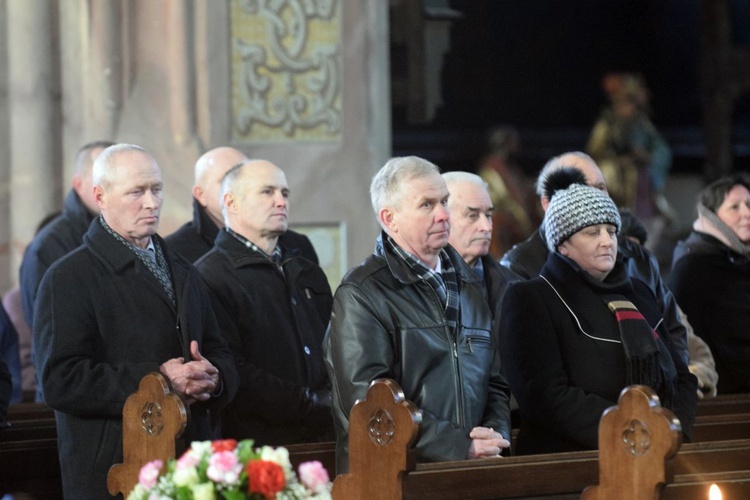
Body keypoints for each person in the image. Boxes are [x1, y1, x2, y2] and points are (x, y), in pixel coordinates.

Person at [33, 143, 240, 499]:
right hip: (114, 468)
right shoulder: (68, 277)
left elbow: (220, 350)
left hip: (190, 463)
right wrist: (159, 381)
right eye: (136, 192)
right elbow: (60, 380)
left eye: (156, 189)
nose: (151, 202)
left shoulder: (184, 270)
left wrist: (214, 376)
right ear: (100, 196)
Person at [324, 156, 512, 474]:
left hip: (474, 472)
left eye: (444, 202)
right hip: (396, 476)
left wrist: (495, 436)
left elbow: (494, 383)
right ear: (390, 218)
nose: (442, 215)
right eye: (427, 205)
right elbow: (369, 404)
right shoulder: (363, 292)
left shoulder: (469, 284)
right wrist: (457, 446)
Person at [500, 167, 697, 455]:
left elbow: (680, 373)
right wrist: (631, 433)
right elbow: (544, 395)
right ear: (563, 244)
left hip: (656, 448)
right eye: (592, 232)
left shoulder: (638, 293)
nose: (607, 241)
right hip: (572, 459)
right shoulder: (532, 298)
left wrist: (673, 430)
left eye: (611, 231)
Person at [500, 151, 688, 364]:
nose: (593, 198)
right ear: (547, 202)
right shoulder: (520, 265)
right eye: (579, 189)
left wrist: (675, 384)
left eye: (600, 188)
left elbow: (672, 330)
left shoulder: (637, 257)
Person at [195, 160, 334, 445]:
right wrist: (306, 402)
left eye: (284, 193)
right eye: (267, 192)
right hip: (255, 444)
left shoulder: (305, 269)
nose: (280, 201)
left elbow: (334, 344)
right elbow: (230, 366)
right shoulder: (208, 276)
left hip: (325, 435)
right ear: (231, 202)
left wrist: (331, 398)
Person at [668, 174, 750, 394]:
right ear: (712, 215)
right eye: (734, 207)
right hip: (720, 389)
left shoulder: (740, 257)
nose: (746, 213)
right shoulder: (695, 262)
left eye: (749, 204)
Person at [19, 140, 115, 329]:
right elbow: (49, 328)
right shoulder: (48, 246)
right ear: (78, 184)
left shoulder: (135, 236)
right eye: (104, 180)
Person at [166, 146, 318, 264]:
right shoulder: (173, 252)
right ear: (200, 194)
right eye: (227, 180)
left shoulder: (298, 245)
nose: (280, 202)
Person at [586, 72, 678, 225]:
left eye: (631, 103)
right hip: (614, 181)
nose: (628, 108)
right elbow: (595, 152)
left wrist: (647, 157)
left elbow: (661, 149)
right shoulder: (607, 125)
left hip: (641, 182)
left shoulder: (642, 125)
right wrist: (619, 161)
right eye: (624, 102)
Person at [442, 171, 519, 322]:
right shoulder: (409, 286)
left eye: (488, 215)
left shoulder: (516, 290)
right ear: (441, 218)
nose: (487, 227)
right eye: (472, 215)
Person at [478, 126, 542, 258]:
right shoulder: (491, 168)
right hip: (504, 215)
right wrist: (517, 211)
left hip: (520, 215)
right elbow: (498, 198)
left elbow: (522, 189)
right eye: (513, 143)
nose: (517, 147)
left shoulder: (512, 168)